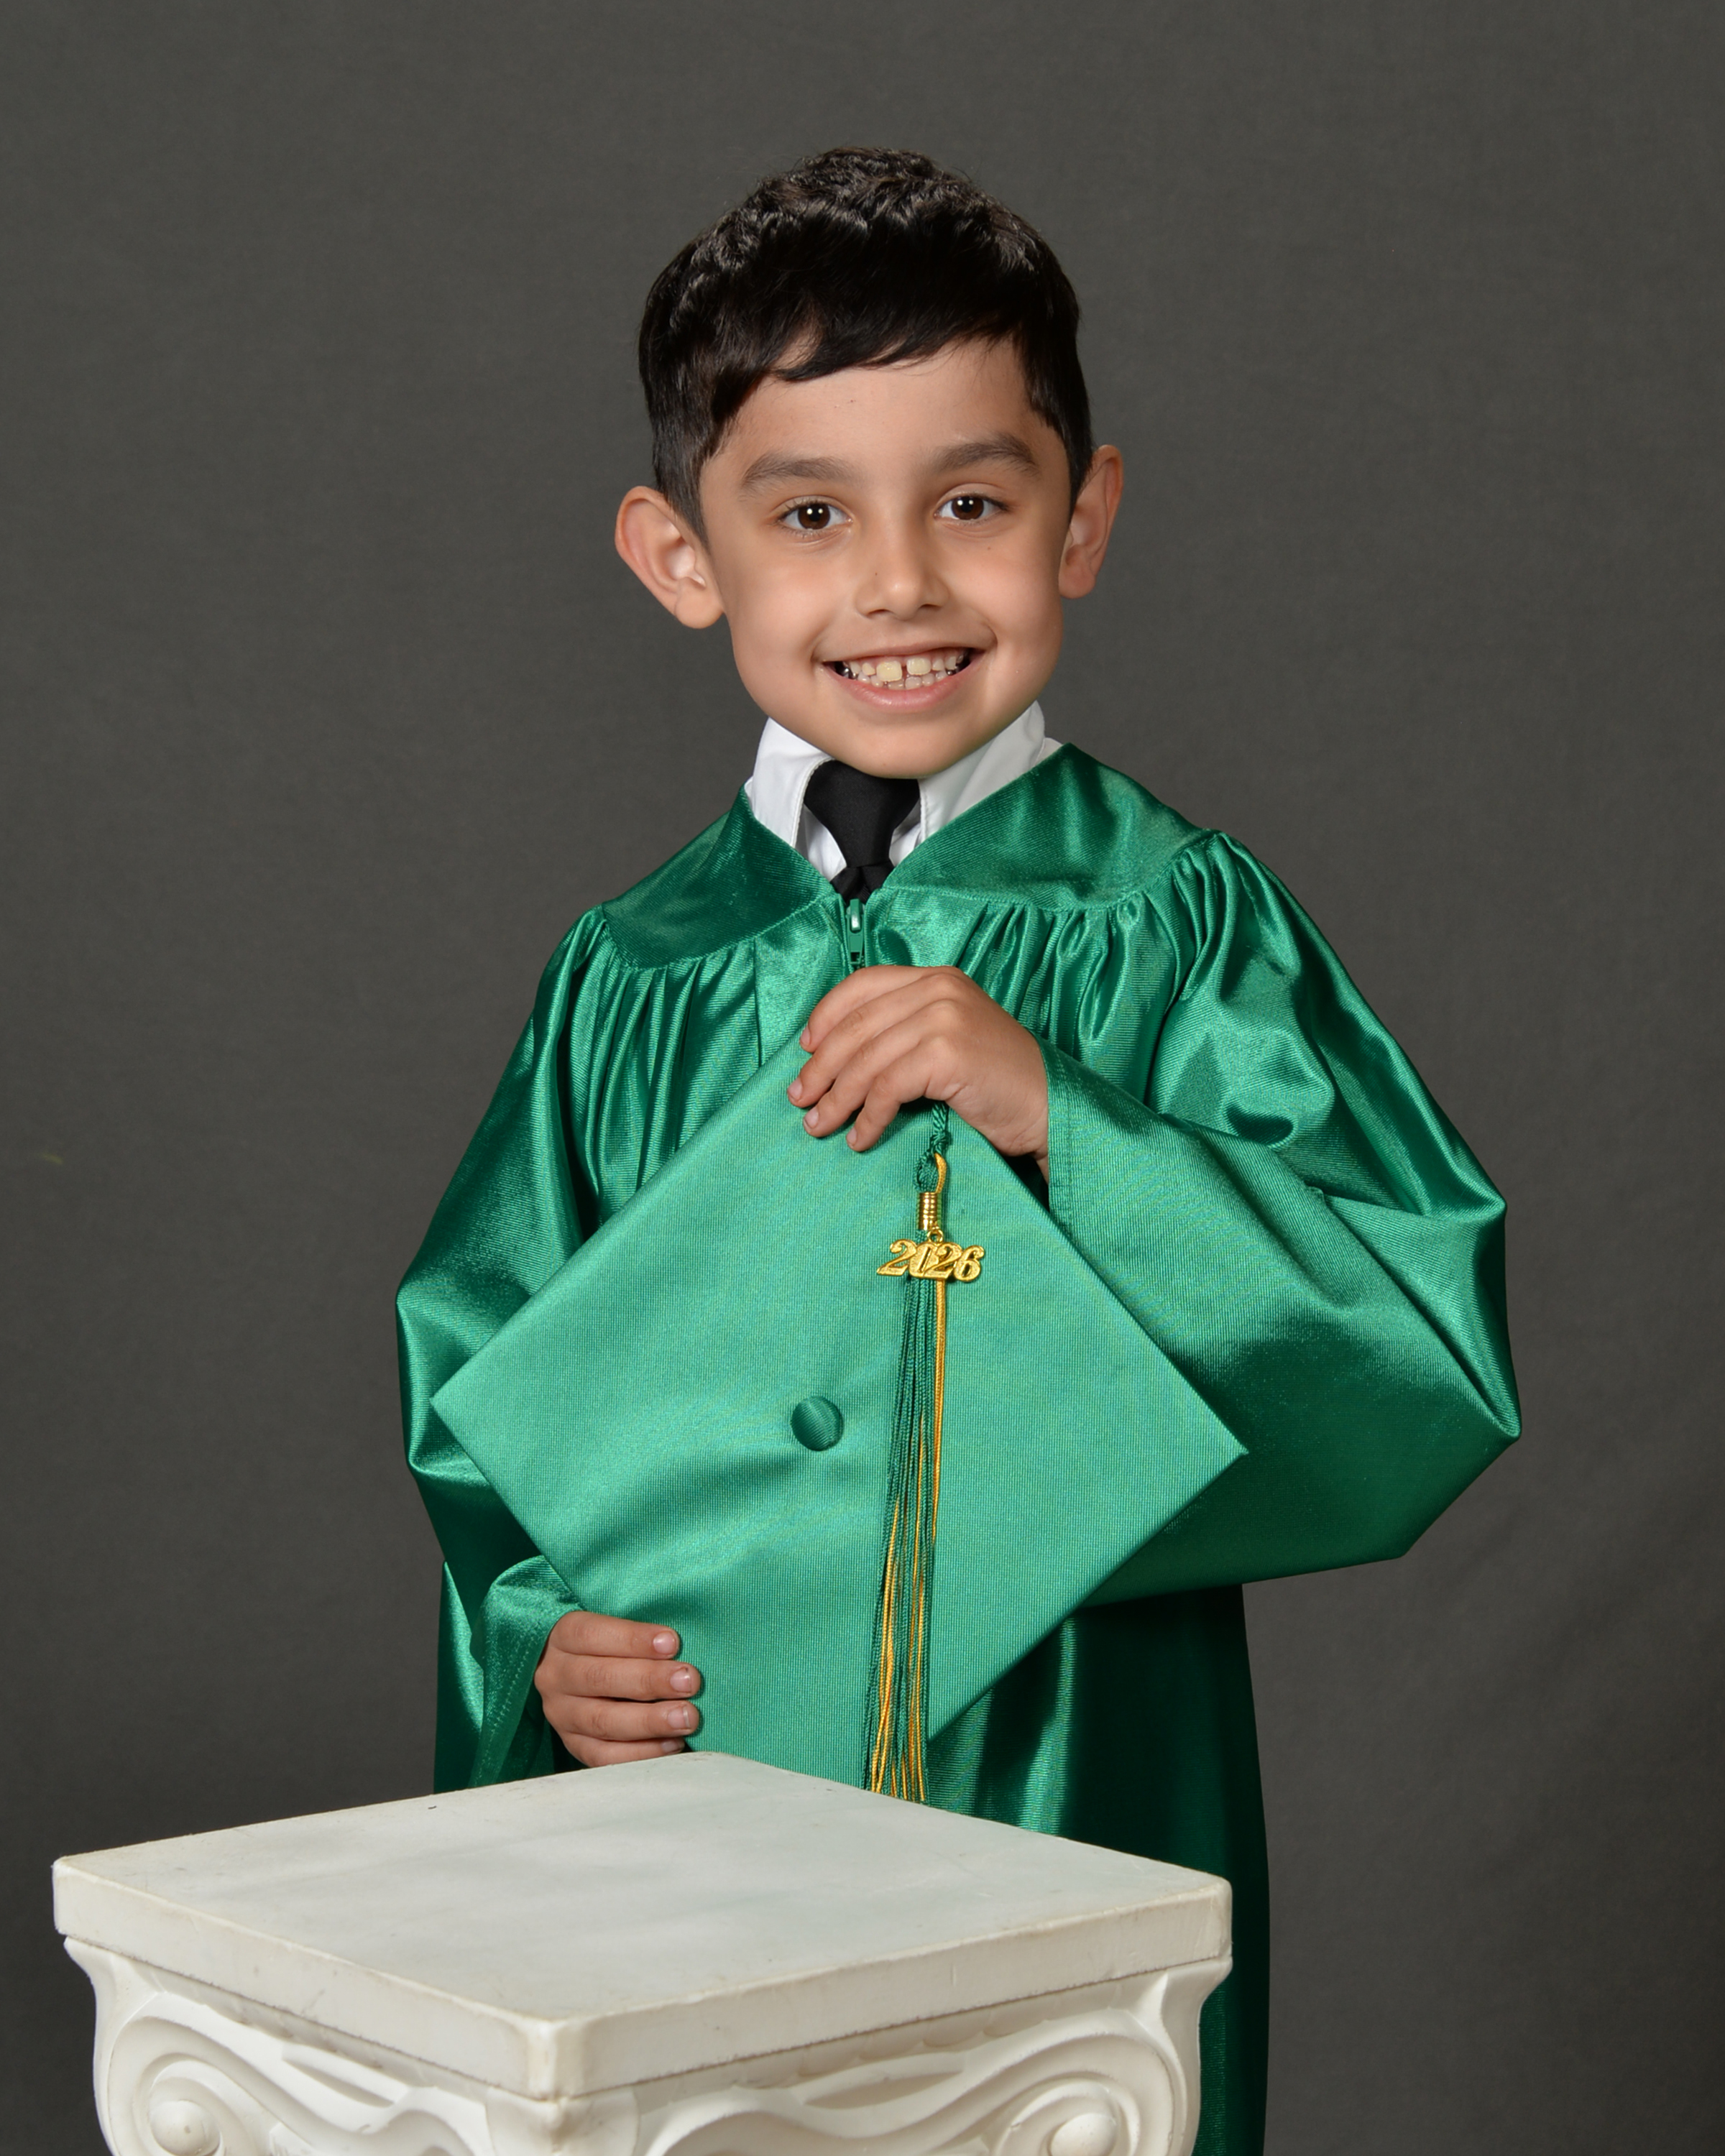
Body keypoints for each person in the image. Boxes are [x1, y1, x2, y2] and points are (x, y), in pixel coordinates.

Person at [397, 147, 1519, 2156]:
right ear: (680, 555)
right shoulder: (633, 975)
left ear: (1083, 519)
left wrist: (1067, 1120)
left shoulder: (1172, 925)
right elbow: (485, 1380)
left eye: (975, 504)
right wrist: (535, 1632)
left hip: (1066, 1781)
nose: (901, 583)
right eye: (809, 513)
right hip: (700, 1814)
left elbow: (1412, 1346)